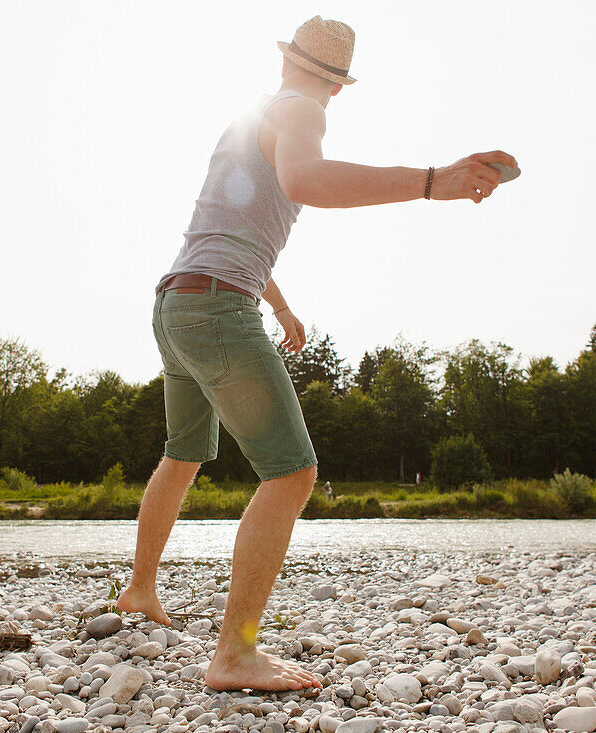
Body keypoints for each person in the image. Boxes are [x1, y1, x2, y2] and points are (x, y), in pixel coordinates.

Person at [118, 15, 516, 692]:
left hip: (178, 300)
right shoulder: (304, 111)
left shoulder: (252, 118)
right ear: (336, 84)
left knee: (182, 452)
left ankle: (139, 589)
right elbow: (306, 182)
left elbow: (231, 224)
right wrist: (430, 181)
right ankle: (235, 653)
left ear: (286, 61)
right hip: (215, 307)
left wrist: (278, 305)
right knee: (292, 474)